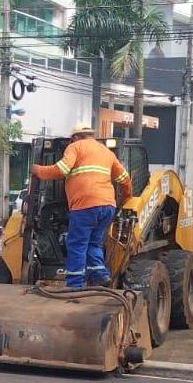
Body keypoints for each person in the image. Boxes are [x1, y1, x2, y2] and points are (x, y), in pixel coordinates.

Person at [31, 124, 133, 290]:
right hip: (107, 206)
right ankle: (100, 275)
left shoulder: (75, 147)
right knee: (94, 243)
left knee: (77, 244)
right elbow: (124, 178)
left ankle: (74, 285)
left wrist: (38, 170)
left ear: (76, 137)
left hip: (85, 206)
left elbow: (61, 170)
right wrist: (127, 198)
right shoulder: (106, 152)